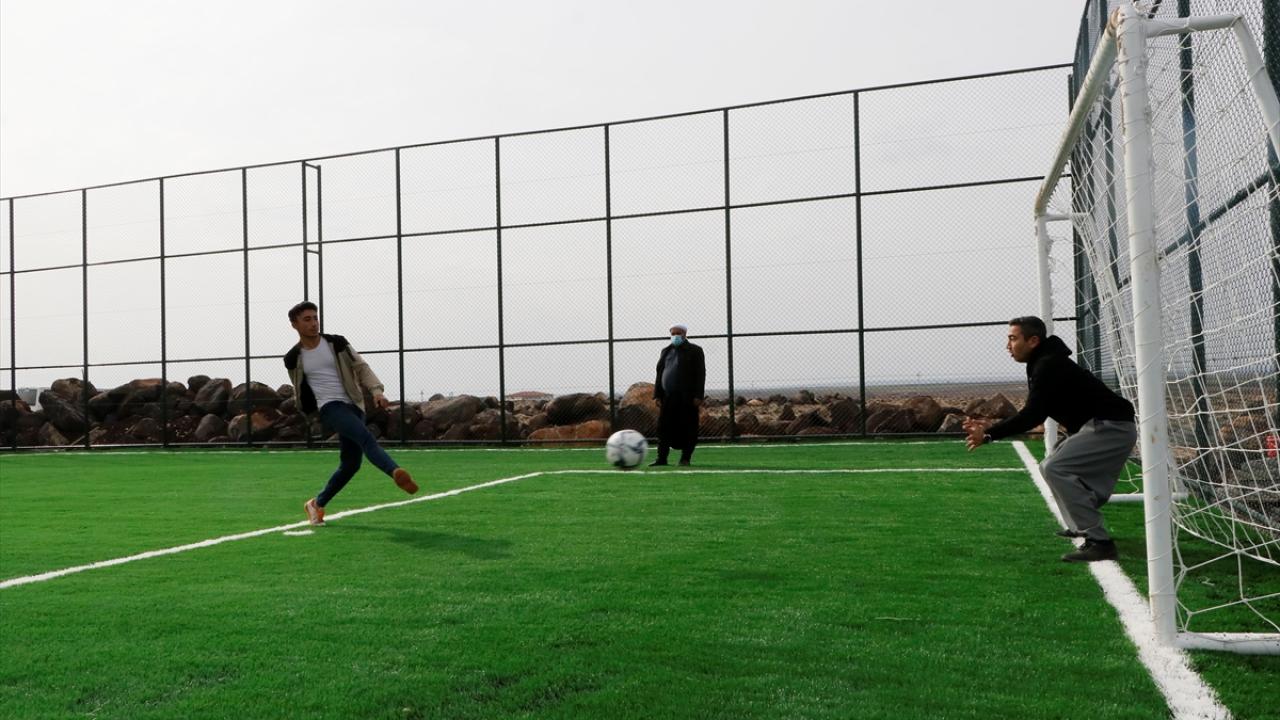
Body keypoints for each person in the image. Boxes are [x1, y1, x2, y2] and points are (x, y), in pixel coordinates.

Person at [964, 316, 1136, 563]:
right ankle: (1080, 525)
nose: (1008, 346)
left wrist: (990, 434)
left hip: (1111, 426)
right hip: (1098, 426)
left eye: (1013, 338)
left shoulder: (1047, 365)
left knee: (1055, 467)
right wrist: (991, 430)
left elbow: (1032, 415)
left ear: (1033, 341)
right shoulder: (1042, 362)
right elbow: (1036, 411)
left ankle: (1100, 542)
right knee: (1052, 464)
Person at [284, 301, 417, 526]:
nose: (314, 323)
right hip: (329, 407)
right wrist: (309, 413)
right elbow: (300, 388)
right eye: (307, 319)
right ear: (294, 324)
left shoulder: (337, 343)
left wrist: (376, 391)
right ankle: (395, 472)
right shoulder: (292, 358)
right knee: (366, 438)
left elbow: (361, 367)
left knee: (350, 465)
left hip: (354, 405)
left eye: (315, 318)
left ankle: (316, 504)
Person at [652, 323, 706, 466]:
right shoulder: (666, 351)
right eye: (673, 334)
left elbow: (700, 374)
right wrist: (657, 394)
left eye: (678, 333)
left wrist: (698, 395)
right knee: (663, 428)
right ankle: (661, 458)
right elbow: (660, 373)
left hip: (687, 398)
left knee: (688, 427)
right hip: (668, 397)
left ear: (684, 334)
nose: (675, 336)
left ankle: (685, 458)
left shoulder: (695, 351)